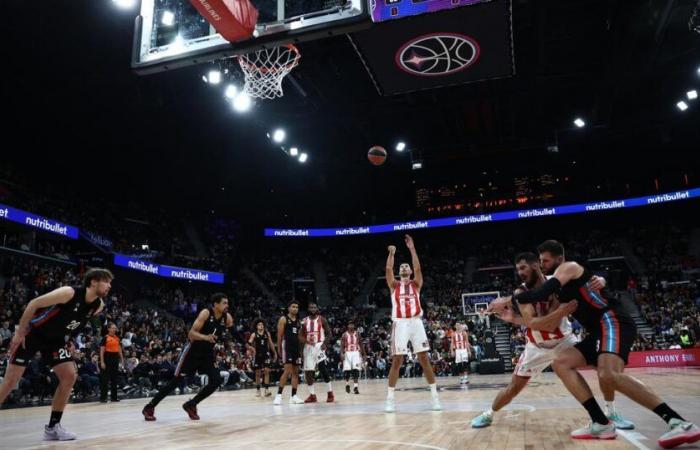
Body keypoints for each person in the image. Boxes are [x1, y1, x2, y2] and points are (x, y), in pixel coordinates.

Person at [0, 268, 112, 441]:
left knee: (69, 376)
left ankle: (52, 428)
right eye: (106, 281)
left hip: (55, 340)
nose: (109, 286)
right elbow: (33, 303)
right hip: (33, 333)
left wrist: (70, 340)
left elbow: (80, 322)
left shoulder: (98, 306)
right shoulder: (68, 292)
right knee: (11, 381)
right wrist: (20, 332)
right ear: (93, 281)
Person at [142, 293, 233, 421]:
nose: (226, 305)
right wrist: (205, 337)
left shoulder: (227, 317)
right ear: (216, 304)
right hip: (192, 352)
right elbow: (191, 334)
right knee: (176, 382)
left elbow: (233, 330)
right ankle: (149, 407)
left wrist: (247, 344)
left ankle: (191, 404)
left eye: (227, 303)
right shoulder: (206, 313)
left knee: (216, 380)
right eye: (224, 303)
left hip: (207, 354)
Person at [384, 235, 441, 413]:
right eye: (402, 266)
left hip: (416, 323)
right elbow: (387, 269)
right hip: (400, 324)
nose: (404, 267)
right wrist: (392, 254)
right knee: (397, 361)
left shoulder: (416, 284)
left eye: (406, 266)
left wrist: (412, 248)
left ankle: (435, 397)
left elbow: (417, 267)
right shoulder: (394, 285)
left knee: (424, 359)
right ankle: (390, 399)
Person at [273, 301, 304, 405]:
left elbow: (299, 337)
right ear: (289, 308)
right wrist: (279, 350)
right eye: (293, 307)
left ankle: (293, 396)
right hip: (287, 347)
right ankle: (278, 396)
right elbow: (279, 336)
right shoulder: (283, 319)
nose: (295, 309)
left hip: (296, 349)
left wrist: (301, 350)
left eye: (297, 307)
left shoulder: (299, 321)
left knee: (296, 372)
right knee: (287, 371)